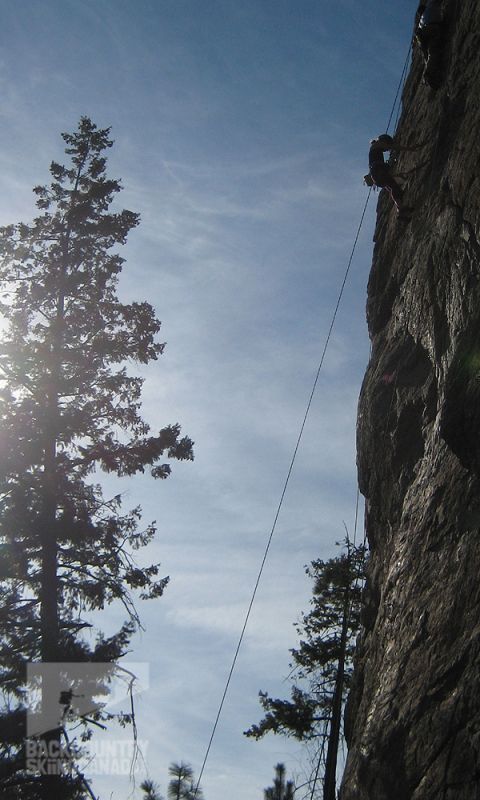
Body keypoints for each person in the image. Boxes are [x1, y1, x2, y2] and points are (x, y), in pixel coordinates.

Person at [367, 134, 413, 220]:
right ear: (384, 141)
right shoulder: (376, 145)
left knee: (395, 188)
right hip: (378, 171)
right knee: (394, 187)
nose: (386, 150)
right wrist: (410, 149)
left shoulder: (375, 152)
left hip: (377, 174)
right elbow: (393, 147)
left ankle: (401, 209)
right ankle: (401, 210)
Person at [414, 0, 444, 89]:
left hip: (421, 35)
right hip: (432, 28)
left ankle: (430, 73)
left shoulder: (421, 20)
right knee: (433, 51)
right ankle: (429, 74)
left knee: (427, 56)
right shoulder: (431, 4)